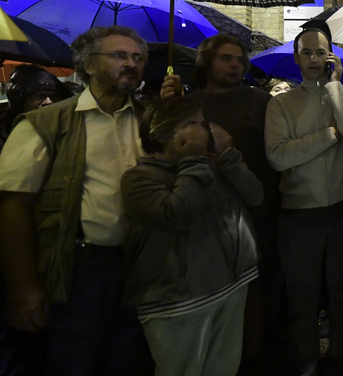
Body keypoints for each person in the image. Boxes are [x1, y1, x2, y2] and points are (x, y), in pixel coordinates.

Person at [0, 26, 152, 375]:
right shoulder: (45, 124)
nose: (131, 64)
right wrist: (23, 286)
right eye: (118, 56)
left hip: (140, 264)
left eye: (137, 58)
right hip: (78, 268)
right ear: (88, 65)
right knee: (74, 362)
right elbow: (14, 206)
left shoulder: (150, 119)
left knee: (129, 360)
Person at [161, 34, 282, 371]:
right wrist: (169, 103)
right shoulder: (191, 103)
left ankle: (251, 357)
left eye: (239, 60)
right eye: (225, 58)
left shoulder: (259, 100)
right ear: (207, 63)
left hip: (255, 203)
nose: (234, 65)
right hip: (205, 207)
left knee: (253, 281)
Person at [121, 97, 262, 376]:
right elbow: (177, 214)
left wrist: (229, 157)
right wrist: (195, 160)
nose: (204, 131)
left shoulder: (210, 165)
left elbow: (255, 196)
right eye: (191, 124)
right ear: (160, 135)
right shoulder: (139, 179)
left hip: (231, 285)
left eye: (203, 123)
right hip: (179, 302)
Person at [265, 28, 343, 376]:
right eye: (306, 53)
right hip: (299, 214)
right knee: (302, 298)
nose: (313, 59)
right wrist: (329, 136)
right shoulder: (281, 104)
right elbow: (279, 156)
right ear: (296, 58)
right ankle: (305, 363)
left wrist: (335, 85)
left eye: (320, 53)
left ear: (331, 57)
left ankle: (339, 357)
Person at [0, 64, 71, 151]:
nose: (48, 102)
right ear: (22, 101)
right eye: (39, 96)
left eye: (54, 96)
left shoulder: (68, 128)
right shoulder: (5, 132)